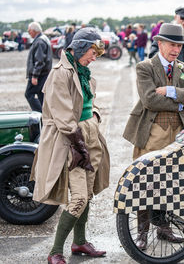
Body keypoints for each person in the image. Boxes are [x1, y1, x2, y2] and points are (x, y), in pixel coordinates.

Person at [31, 27, 110, 264]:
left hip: (88, 133)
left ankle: (80, 242)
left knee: (87, 193)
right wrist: (80, 146)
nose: (94, 58)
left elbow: (91, 101)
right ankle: (55, 251)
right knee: (78, 198)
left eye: (97, 53)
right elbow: (63, 116)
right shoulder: (60, 73)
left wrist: (94, 117)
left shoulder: (83, 72)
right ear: (80, 48)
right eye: (92, 52)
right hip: (70, 140)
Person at [123, 23, 184, 250]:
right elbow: (149, 100)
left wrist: (171, 91)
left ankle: (164, 228)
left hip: (176, 135)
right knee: (145, 184)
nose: (175, 49)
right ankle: (142, 233)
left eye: (179, 45)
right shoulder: (145, 67)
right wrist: (180, 104)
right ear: (160, 43)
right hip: (151, 133)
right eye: (171, 44)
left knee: (170, 183)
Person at [25, 22, 52, 112]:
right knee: (41, 96)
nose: (29, 33)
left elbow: (39, 61)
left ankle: (40, 114)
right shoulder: (44, 39)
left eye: (29, 31)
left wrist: (35, 76)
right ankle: (45, 115)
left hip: (40, 75)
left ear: (34, 30)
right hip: (44, 74)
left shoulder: (39, 41)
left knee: (29, 94)